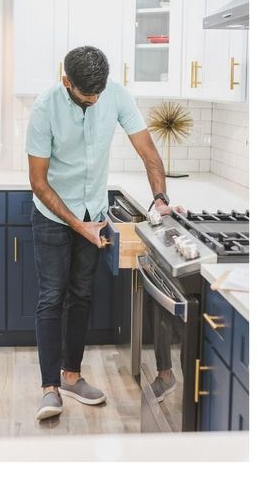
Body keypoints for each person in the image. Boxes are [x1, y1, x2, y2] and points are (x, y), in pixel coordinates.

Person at [26, 45, 182, 421]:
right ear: (67, 82)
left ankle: (72, 377)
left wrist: (160, 198)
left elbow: (148, 152)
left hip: (92, 209)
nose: (95, 100)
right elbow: (38, 182)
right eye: (87, 95)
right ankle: (50, 389)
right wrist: (80, 226)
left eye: (99, 93)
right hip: (52, 213)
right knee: (52, 296)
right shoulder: (45, 108)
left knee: (81, 294)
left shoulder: (114, 94)